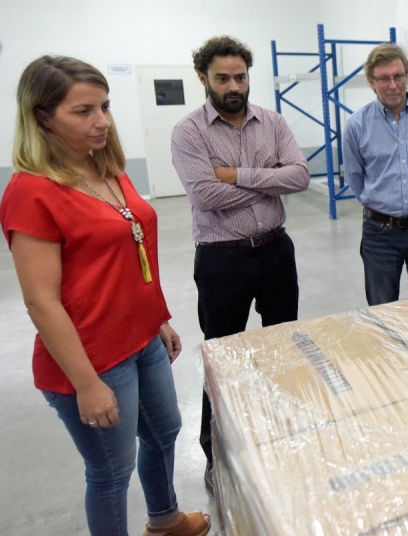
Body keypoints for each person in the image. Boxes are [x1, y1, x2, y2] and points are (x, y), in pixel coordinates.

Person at [0, 56, 210, 536]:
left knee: (164, 434)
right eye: (83, 111)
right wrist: (87, 384)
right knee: (112, 472)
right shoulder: (31, 192)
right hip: (92, 358)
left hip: (141, 340)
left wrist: (156, 318)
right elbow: (41, 301)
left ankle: (165, 520)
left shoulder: (108, 168)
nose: (102, 121)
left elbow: (129, 254)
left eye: (105, 107)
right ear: (42, 117)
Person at [170, 35, 309, 491]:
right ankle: (216, 455)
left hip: (276, 251)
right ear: (203, 79)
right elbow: (205, 196)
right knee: (221, 356)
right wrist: (269, 182)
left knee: (281, 348)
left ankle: (279, 436)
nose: (234, 86)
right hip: (222, 258)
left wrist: (236, 176)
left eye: (240, 77)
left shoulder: (272, 122)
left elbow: (300, 176)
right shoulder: (189, 132)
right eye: (223, 78)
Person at [342, 43, 408, 305]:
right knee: (382, 310)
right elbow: (355, 178)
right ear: (372, 82)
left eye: (398, 76)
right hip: (380, 234)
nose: (393, 85)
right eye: (384, 78)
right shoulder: (357, 125)